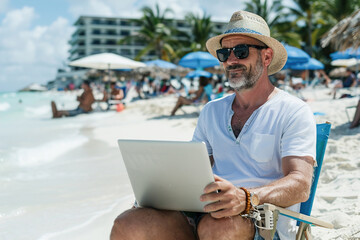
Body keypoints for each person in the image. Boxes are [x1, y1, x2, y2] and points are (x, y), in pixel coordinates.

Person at [110, 10, 316, 240]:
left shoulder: (293, 111)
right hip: (207, 212)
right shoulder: (212, 111)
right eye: (224, 53)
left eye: (241, 51)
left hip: (263, 219)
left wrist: (246, 197)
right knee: (127, 224)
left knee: (218, 227)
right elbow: (193, 171)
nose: (231, 60)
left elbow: (301, 184)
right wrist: (159, 193)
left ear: (266, 57)